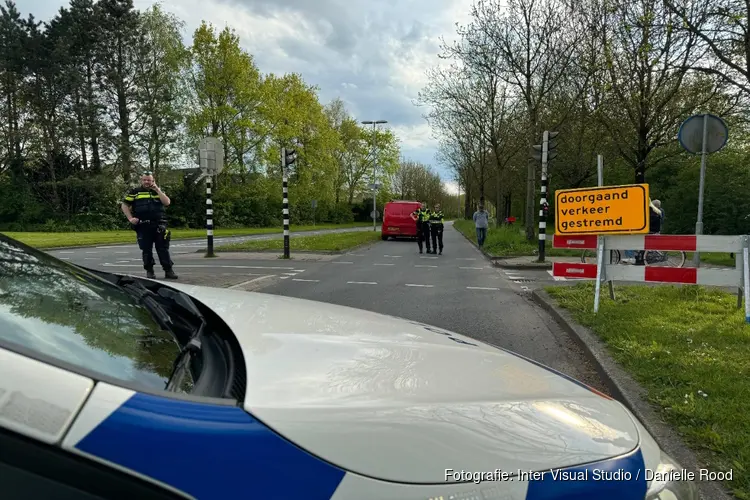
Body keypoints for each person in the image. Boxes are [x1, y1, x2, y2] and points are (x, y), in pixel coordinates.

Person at [121, 171, 178, 280]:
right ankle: (149, 271)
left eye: (149, 180)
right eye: (145, 180)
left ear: (153, 181)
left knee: (163, 248)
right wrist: (130, 218)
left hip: (159, 224)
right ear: (141, 180)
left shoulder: (158, 191)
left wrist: (157, 190)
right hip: (143, 225)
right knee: (146, 249)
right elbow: (124, 205)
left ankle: (168, 270)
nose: (147, 182)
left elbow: (167, 203)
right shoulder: (135, 192)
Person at [634, 198, 663, 266]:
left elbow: (648, 222)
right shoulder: (657, 211)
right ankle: (641, 257)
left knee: (640, 242)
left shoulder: (652, 211)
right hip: (655, 230)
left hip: (651, 231)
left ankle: (640, 258)